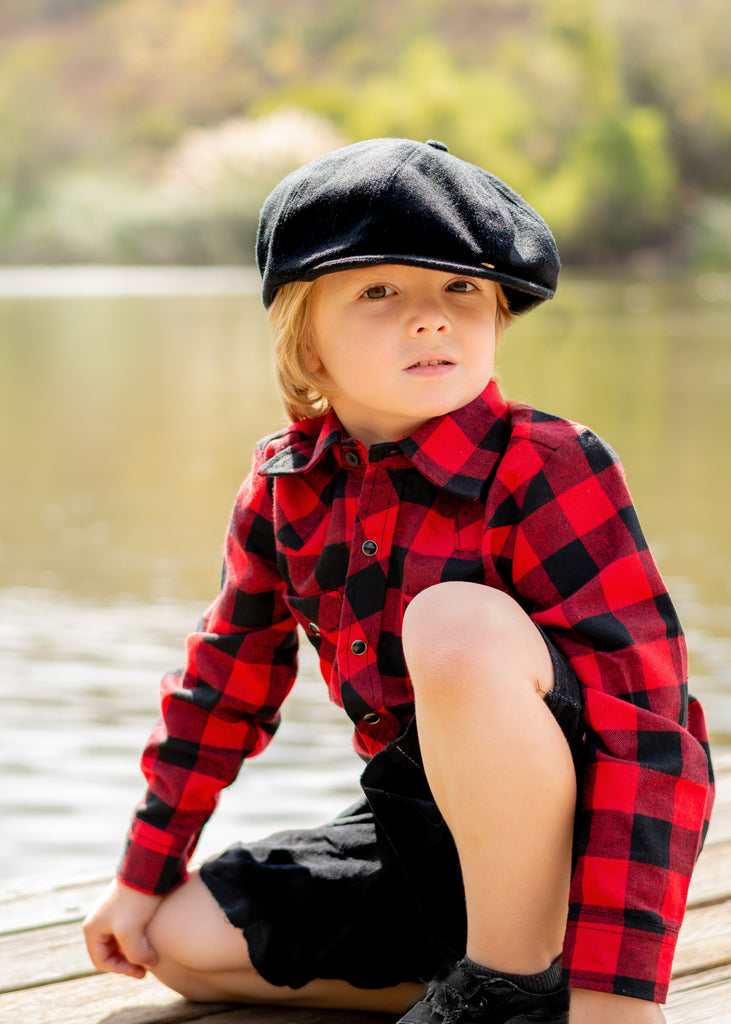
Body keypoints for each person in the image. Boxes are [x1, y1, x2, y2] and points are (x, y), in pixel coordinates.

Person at [83, 138, 714, 1024]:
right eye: (379, 291)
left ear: (497, 317)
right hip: (424, 834)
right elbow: (221, 687)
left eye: (462, 289)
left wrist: (621, 997)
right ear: (306, 344)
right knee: (181, 944)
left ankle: (514, 982)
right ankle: (492, 985)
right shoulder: (282, 488)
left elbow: (649, 731)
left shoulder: (547, 466)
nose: (431, 318)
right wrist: (141, 874)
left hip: (574, 849)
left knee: (453, 624)